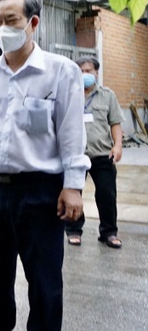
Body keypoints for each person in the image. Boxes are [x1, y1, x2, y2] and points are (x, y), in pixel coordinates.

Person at [0, 0, 90, 331]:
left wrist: (73, 186)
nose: (3, 27)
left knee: (44, 282)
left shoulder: (60, 72)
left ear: (32, 23)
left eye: (11, 20)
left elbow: (72, 134)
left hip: (40, 191)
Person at [65, 57, 124, 248]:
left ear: (96, 72)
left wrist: (117, 146)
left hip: (102, 154)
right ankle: (73, 230)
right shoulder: (70, 94)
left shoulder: (107, 95)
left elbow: (115, 122)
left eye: (89, 71)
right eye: (81, 71)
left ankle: (109, 233)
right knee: (73, 192)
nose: (85, 75)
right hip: (76, 155)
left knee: (107, 194)